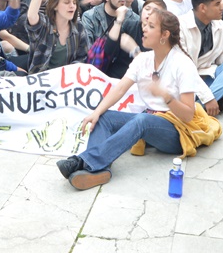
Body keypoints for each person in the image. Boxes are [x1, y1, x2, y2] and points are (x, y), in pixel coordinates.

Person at [56, 10, 208, 190]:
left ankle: (84, 161)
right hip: (150, 122)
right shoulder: (143, 59)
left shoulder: (182, 64)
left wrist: (165, 96)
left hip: (176, 131)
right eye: (145, 24)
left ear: (164, 35)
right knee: (104, 117)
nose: (144, 29)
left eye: (151, 26)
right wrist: (96, 113)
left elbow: (188, 115)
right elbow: (120, 88)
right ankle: (98, 171)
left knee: (141, 120)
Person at [25, 0, 88, 73]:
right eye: (67, 2)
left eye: (74, 2)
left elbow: (83, 58)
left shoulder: (79, 28)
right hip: (41, 82)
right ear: (55, 6)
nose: (72, 6)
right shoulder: (45, 26)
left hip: (67, 81)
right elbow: (31, 16)